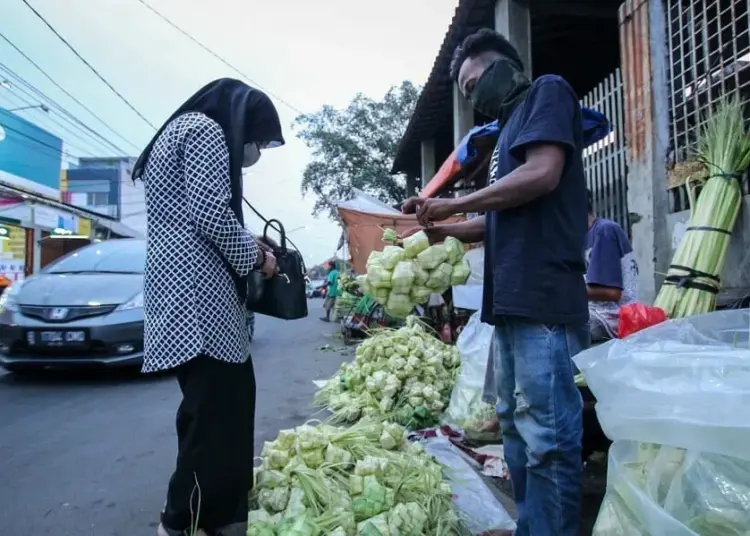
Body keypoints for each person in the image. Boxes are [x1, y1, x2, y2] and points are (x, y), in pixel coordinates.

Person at [401, 29, 589, 536]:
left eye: (470, 84)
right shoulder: (506, 134)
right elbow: (497, 218)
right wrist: (441, 228)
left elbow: (544, 174)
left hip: (544, 301)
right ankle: (532, 527)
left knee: (547, 437)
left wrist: (455, 202)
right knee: (515, 431)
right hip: (509, 305)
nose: (470, 98)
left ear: (501, 66)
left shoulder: (546, 92)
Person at [132, 78, 284, 536]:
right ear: (239, 118)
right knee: (216, 417)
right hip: (199, 301)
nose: (254, 149)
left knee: (215, 408)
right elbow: (211, 214)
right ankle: (181, 520)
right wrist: (260, 258)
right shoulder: (204, 130)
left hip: (181, 293)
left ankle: (221, 513)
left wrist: (246, 241)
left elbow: (198, 213)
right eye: (256, 138)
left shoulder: (178, 131)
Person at [585, 189, 638, 340]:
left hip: (613, 318)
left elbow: (612, 293)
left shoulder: (604, 230)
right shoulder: (578, 237)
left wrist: (562, 290)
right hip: (594, 312)